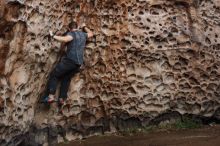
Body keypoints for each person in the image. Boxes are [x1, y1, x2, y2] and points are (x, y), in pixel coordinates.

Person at [43, 21, 93, 105]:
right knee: (66, 79)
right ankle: (62, 99)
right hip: (78, 64)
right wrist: (85, 27)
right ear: (77, 27)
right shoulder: (83, 34)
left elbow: (66, 39)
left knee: (54, 75)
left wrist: (53, 36)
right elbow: (91, 33)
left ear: (70, 29)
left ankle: (51, 97)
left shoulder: (72, 34)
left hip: (70, 60)